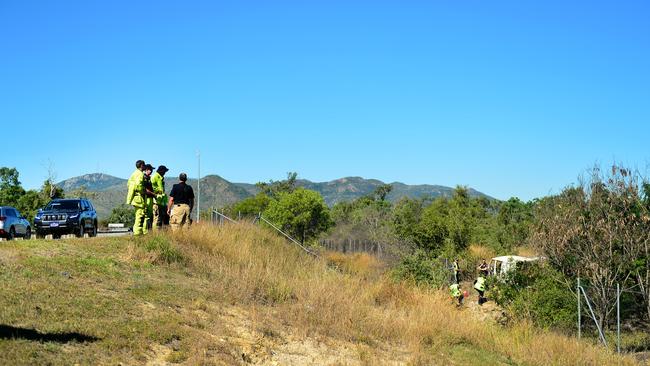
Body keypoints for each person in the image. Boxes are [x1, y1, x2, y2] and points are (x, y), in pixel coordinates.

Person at [126, 160, 146, 236]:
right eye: (144, 165)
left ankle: (136, 232)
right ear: (141, 165)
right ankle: (137, 233)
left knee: (138, 215)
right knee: (140, 216)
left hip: (135, 198)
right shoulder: (140, 174)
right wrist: (143, 190)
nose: (144, 166)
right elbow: (138, 185)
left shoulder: (134, 173)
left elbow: (129, 184)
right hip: (139, 198)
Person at [151, 165, 169, 230]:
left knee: (162, 218)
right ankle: (155, 234)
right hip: (157, 201)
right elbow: (152, 188)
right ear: (161, 171)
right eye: (164, 171)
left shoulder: (160, 177)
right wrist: (156, 193)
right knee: (157, 218)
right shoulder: (155, 176)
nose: (165, 173)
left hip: (161, 201)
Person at [143, 164, 156, 233]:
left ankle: (149, 231)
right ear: (146, 170)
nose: (151, 171)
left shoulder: (149, 178)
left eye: (152, 170)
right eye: (150, 170)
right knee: (146, 215)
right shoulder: (143, 177)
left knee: (150, 215)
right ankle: (145, 231)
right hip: (146, 198)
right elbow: (145, 189)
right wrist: (153, 194)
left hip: (150, 199)